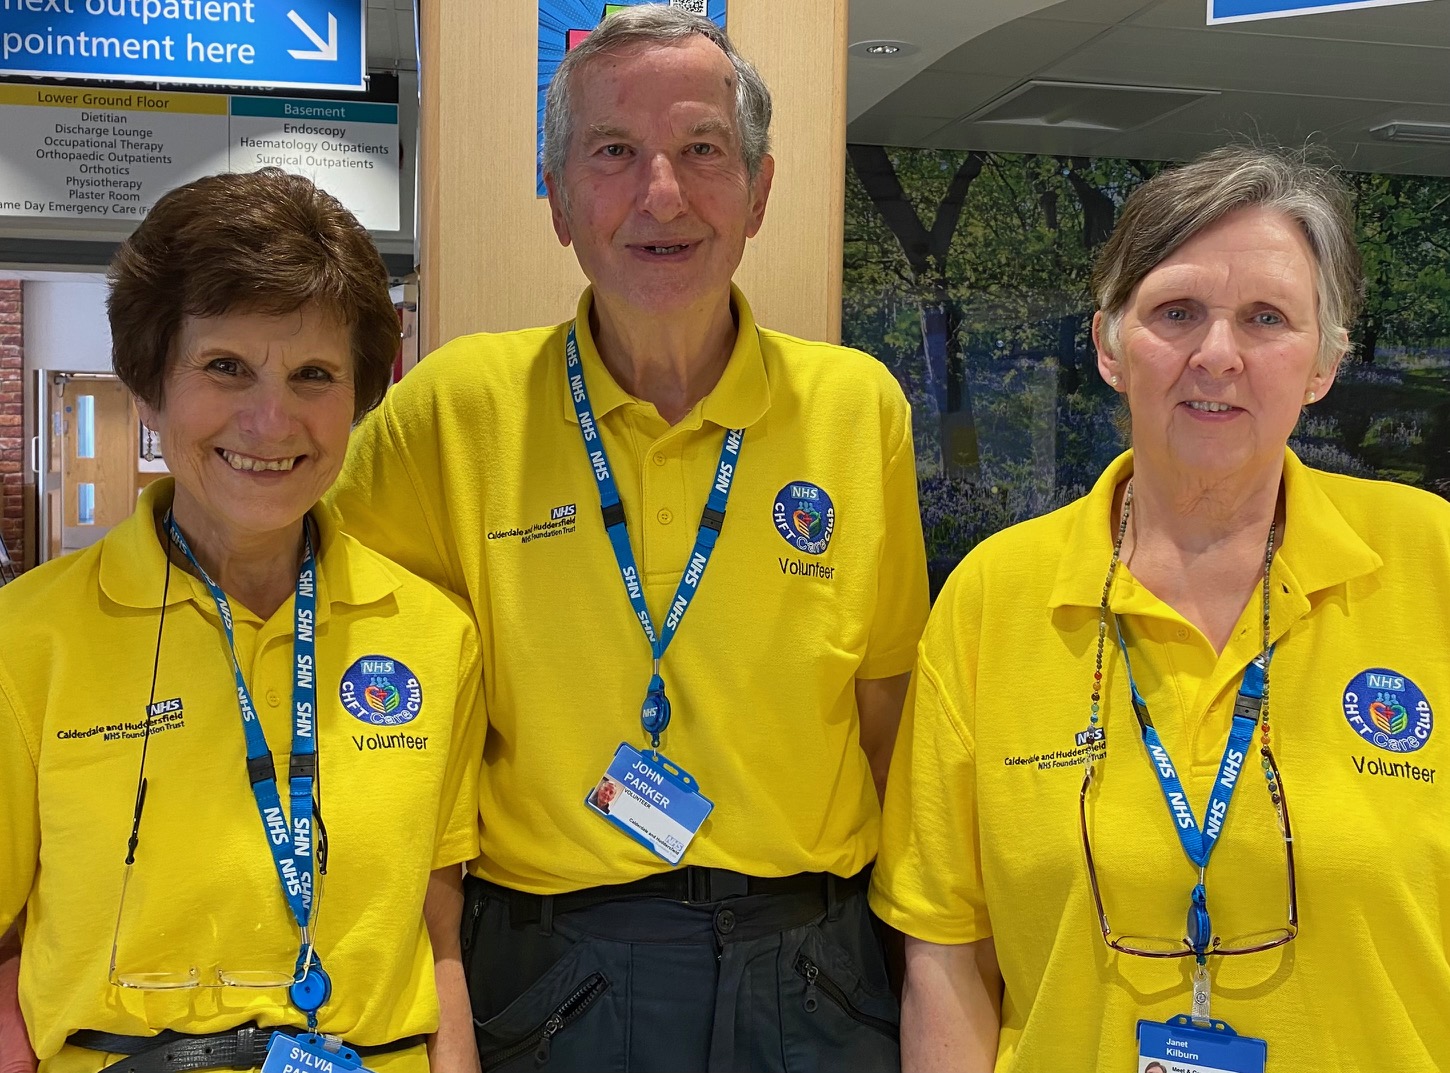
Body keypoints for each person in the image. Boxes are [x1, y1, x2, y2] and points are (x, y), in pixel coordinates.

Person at [328, 6, 929, 1070]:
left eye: (703, 150)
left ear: (759, 190)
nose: (662, 194)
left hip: (815, 966)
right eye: (613, 153)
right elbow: (379, 719)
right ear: (557, 197)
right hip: (555, 972)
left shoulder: (856, 408)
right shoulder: (455, 410)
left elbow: (887, 713)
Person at [871, 145, 1450, 1073]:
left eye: (1267, 318)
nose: (1217, 353)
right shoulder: (995, 595)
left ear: (1324, 364)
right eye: (1177, 312)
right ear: (1108, 344)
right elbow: (945, 955)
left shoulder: (1432, 563)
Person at [0, 170, 486, 1073]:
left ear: (358, 399)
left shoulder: (433, 635)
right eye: (225, 367)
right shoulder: (26, 643)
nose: (271, 420)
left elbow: (437, 933)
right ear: (148, 388)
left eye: (314, 375)